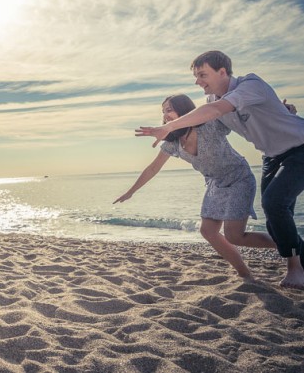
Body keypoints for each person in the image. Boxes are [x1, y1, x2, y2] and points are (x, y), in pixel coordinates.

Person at [136, 51, 304, 289]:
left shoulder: (250, 85)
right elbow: (207, 115)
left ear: (223, 72)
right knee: (274, 219)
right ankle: (298, 258)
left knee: (274, 203)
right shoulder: (212, 102)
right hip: (272, 156)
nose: (198, 81)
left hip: (300, 147)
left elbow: (216, 110)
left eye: (203, 74)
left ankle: (295, 270)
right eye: (196, 76)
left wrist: (169, 125)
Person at [115, 94, 275, 280]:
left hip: (239, 178)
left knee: (234, 236)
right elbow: (153, 168)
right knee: (208, 231)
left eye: (169, 110)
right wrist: (131, 192)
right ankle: (245, 273)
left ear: (183, 109)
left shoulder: (210, 125)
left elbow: (240, 116)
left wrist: (275, 112)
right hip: (215, 182)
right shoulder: (173, 142)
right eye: (163, 112)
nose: (165, 115)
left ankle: (287, 241)